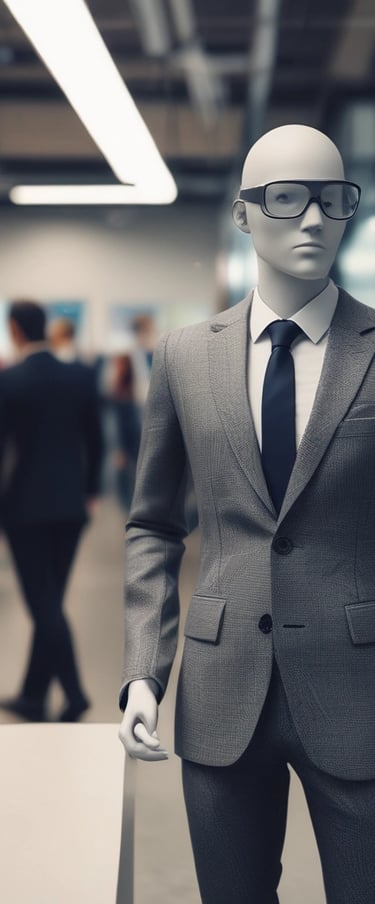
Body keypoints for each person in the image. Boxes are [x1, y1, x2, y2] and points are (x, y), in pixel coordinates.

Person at [118, 124, 375, 903]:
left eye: (332, 200)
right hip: (222, 690)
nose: (312, 220)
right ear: (242, 215)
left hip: (358, 689)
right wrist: (143, 670)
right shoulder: (185, 357)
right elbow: (153, 526)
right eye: (287, 198)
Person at [0, 300, 103, 722]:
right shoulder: (77, 376)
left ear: (15, 330)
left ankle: (75, 693)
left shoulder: (11, 381)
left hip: (23, 507)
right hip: (70, 505)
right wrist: (91, 491)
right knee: (52, 599)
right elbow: (95, 441)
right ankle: (32, 692)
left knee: (43, 604)